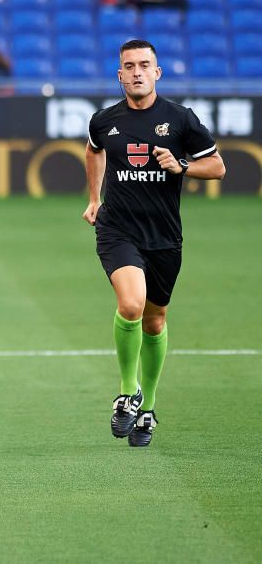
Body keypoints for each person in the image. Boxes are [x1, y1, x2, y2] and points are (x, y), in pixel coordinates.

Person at [83, 39, 225, 447]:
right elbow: (93, 152)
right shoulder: (104, 120)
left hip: (163, 235)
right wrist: (95, 198)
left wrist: (181, 165)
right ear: (120, 75)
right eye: (129, 66)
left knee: (155, 318)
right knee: (130, 304)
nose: (137, 72)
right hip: (118, 230)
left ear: (158, 72)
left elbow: (217, 167)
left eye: (145, 64)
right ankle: (128, 393)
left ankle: (148, 408)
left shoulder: (180, 119)